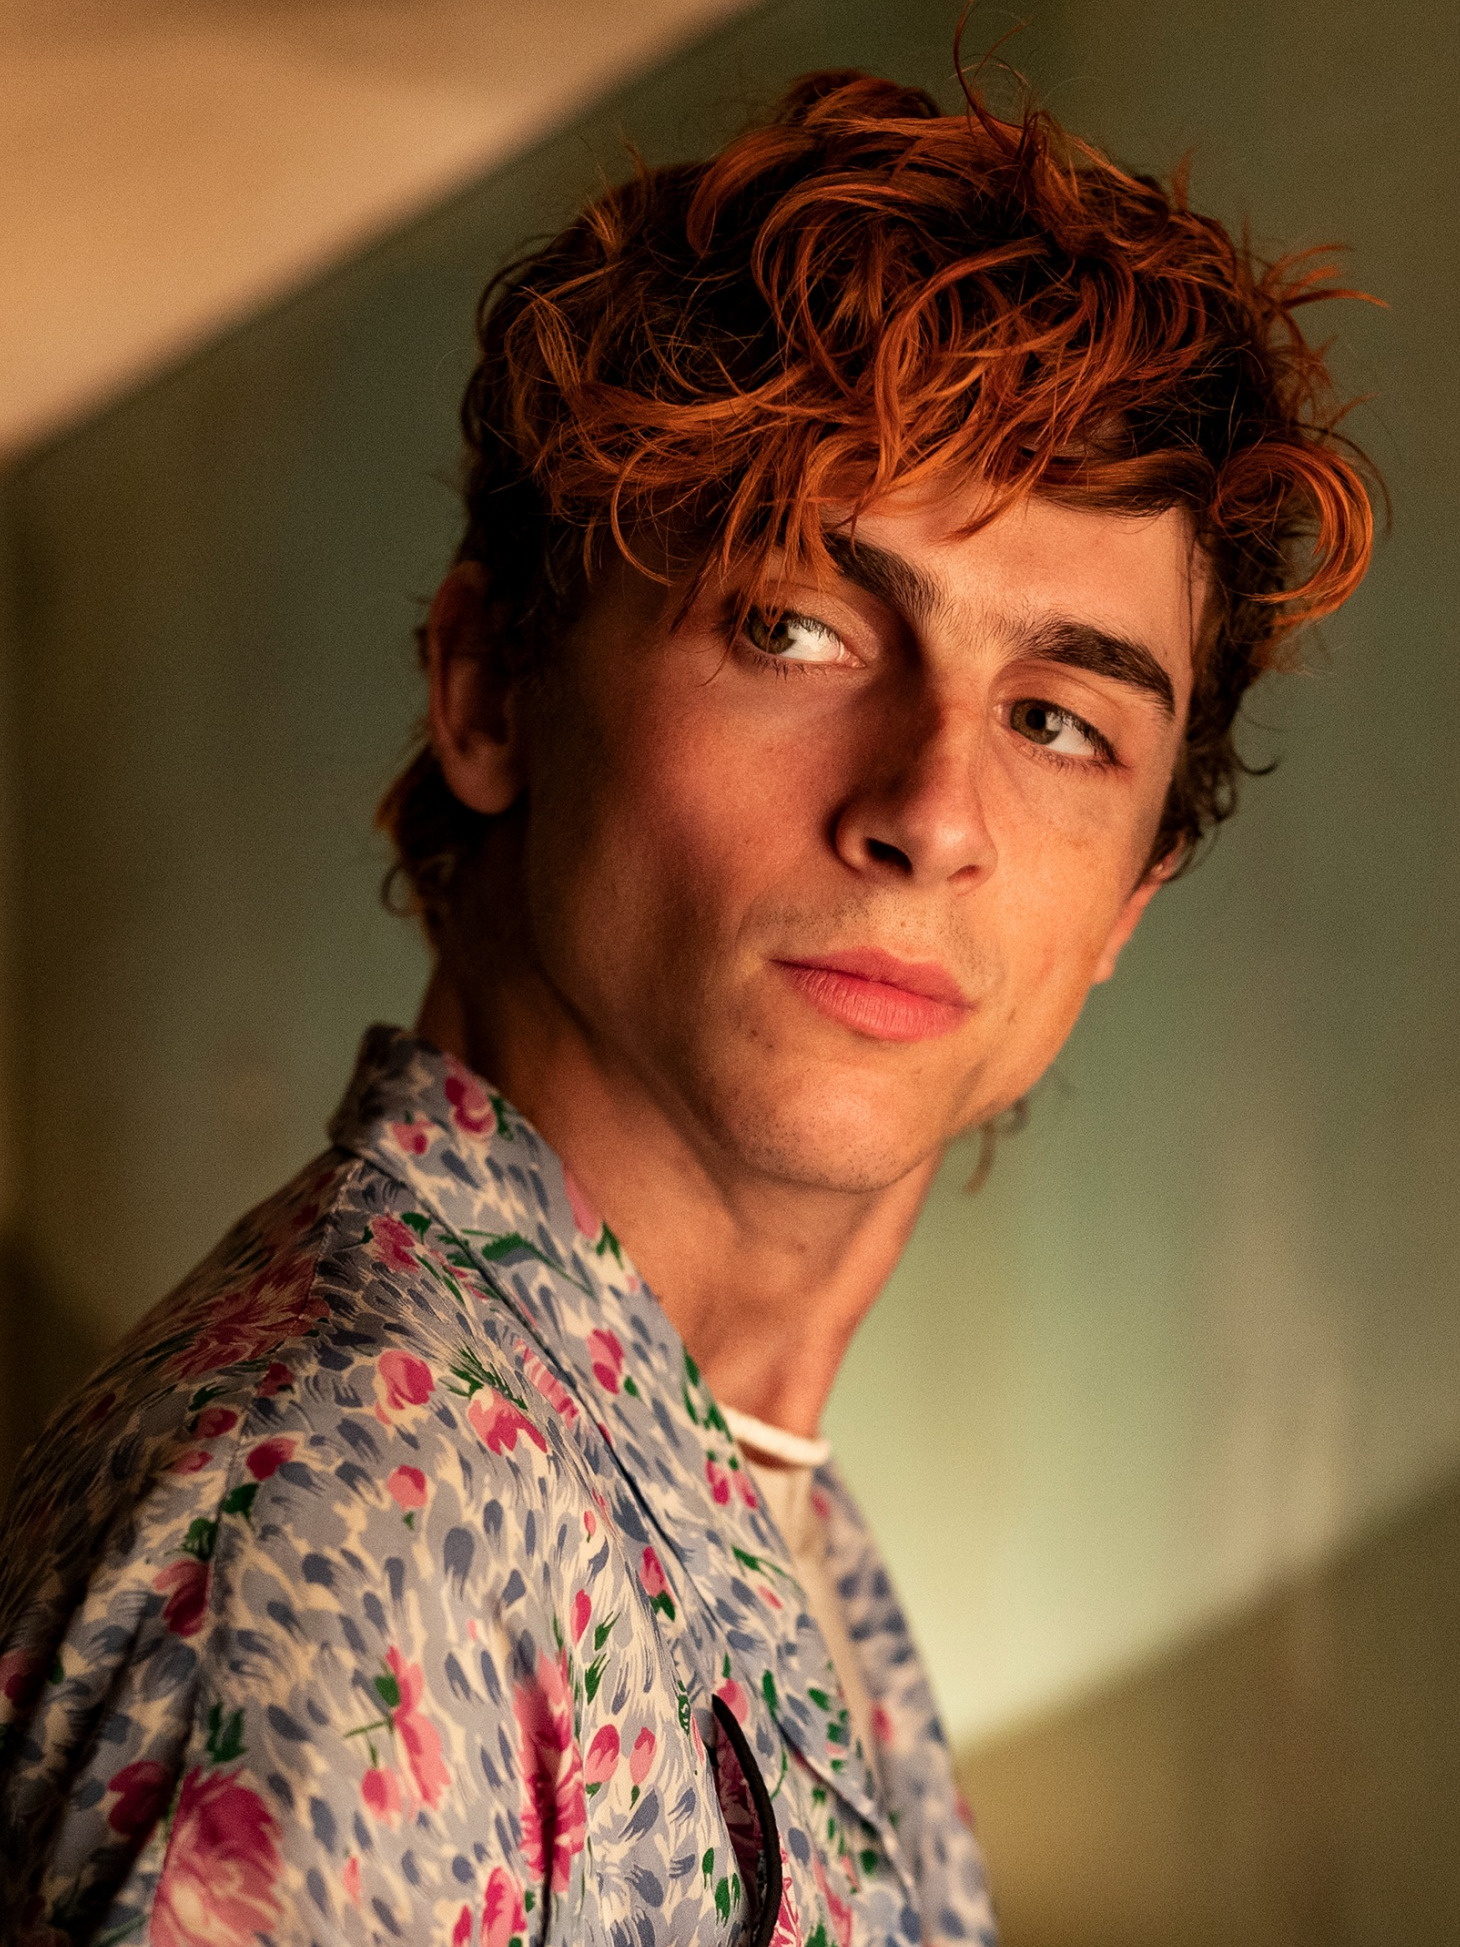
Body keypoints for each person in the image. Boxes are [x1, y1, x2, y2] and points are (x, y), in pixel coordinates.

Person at [0, 65, 1373, 1947]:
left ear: (1130, 904)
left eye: (1060, 720)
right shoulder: (347, 1522)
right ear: (490, 692)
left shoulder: (762, 1524)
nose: (932, 811)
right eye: (796, 628)